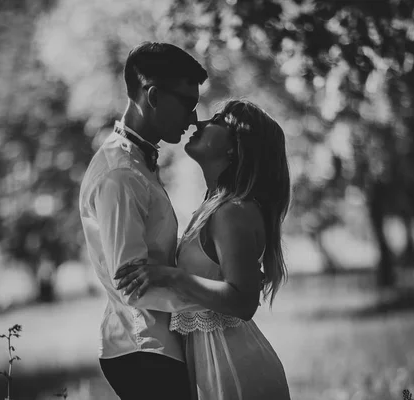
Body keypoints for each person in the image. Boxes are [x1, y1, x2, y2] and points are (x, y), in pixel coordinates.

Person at [115, 99, 292, 400]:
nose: (199, 122)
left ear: (234, 148)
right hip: (215, 363)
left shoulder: (231, 211)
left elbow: (243, 302)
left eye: (218, 120)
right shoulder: (214, 207)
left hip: (234, 371)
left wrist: (168, 276)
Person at [78, 42, 208, 400]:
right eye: (187, 104)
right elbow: (133, 284)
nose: (193, 118)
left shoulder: (137, 164)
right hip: (144, 349)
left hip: (157, 345)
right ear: (152, 95)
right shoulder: (120, 175)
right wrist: (218, 303)